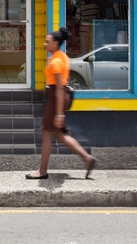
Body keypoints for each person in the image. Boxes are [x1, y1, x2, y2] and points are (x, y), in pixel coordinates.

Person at [25, 27, 97, 180]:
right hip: (60, 96)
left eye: (48, 42)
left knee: (46, 132)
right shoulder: (61, 56)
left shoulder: (56, 61)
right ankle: (87, 158)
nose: (45, 44)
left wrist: (58, 114)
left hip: (55, 97)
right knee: (59, 135)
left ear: (56, 43)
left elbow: (58, 88)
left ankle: (42, 171)